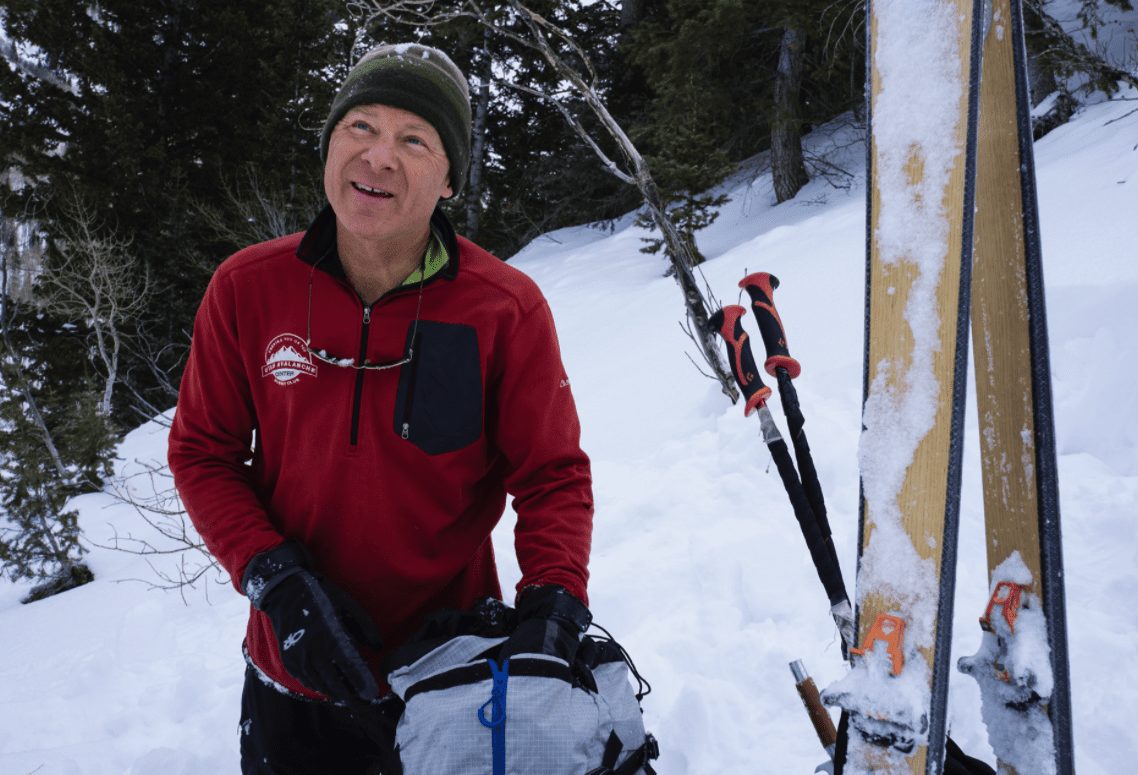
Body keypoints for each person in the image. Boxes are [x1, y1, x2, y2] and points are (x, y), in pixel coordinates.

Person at [167, 42, 594, 774]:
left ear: (450, 180)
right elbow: (202, 450)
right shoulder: (247, 288)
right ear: (330, 144)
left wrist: (553, 605)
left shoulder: (503, 308)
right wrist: (277, 583)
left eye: (413, 139)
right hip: (291, 672)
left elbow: (553, 476)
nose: (378, 157)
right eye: (360, 127)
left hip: (453, 673)